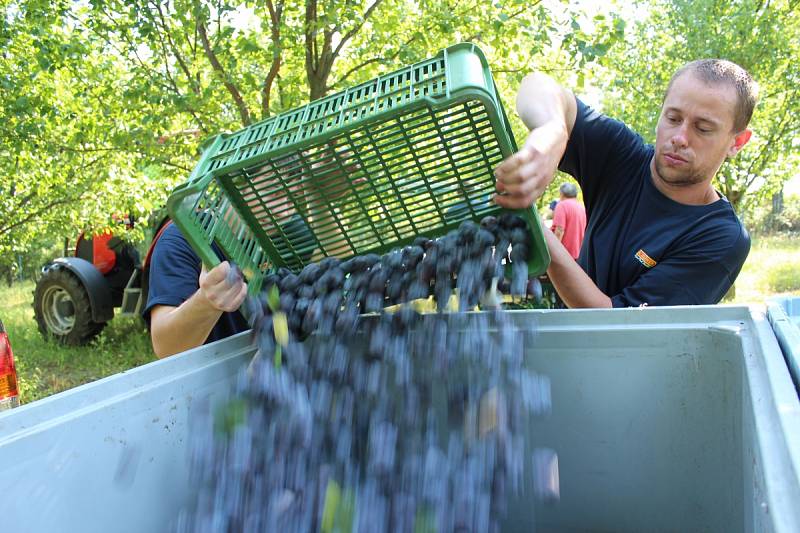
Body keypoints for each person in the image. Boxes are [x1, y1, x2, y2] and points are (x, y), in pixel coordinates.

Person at [494, 59, 757, 308]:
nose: (679, 138)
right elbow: (537, 85)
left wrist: (536, 230)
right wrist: (552, 129)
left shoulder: (720, 238)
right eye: (673, 118)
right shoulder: (622, 156)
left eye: (703, 128)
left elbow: (617, 324)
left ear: (737, 142)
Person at [145, 143, 357, 358]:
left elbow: (338, 266)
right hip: (210, 379)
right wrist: (206, 302)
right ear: (234, 183)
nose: (283, 211)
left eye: (291, 198)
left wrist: (317, 199)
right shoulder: (182, 240)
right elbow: (166, 348)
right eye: (273, 194)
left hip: (275, 370)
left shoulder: (289, 230)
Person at [550, 182, 586, 259]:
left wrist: (554, 253)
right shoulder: (581, 207)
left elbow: (559, 230)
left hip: (564, 255)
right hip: (579, 254)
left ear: (562, 193)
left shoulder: (562, 205)